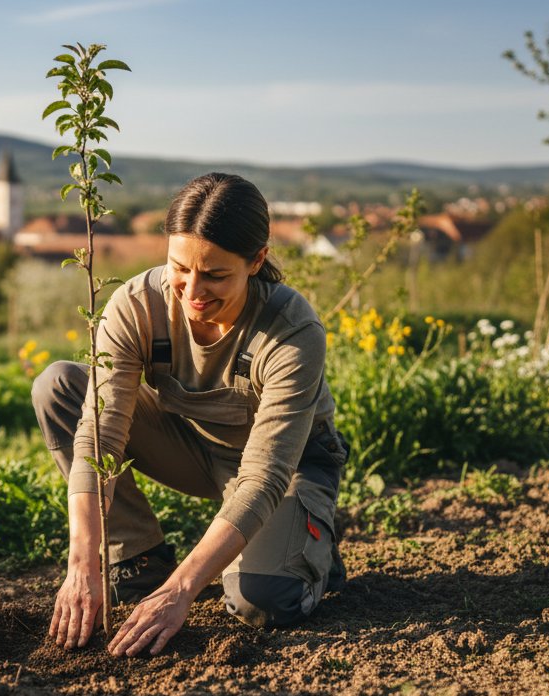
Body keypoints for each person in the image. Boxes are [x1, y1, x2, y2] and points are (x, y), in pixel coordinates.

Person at [32, 172, 349, 657]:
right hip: (192, 444)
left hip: (286, 468)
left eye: (216, 275)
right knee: (61, 386)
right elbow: (101, 433)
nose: (192, 291)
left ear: (257, 260)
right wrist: (83, 564)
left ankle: (308, 548)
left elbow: (264, 474)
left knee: (263, 601)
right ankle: (138, 561)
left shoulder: (291, 331)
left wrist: (182, 593)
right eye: (180, 268)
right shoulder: (137, 306)